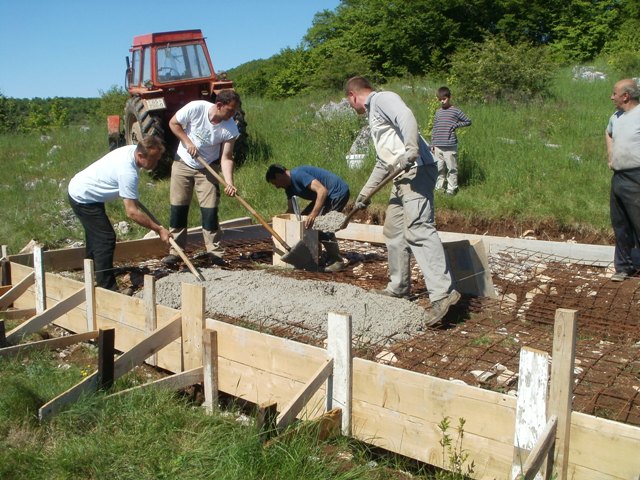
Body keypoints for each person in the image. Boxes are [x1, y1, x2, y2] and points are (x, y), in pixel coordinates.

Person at [344, 76, 460, 326]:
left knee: (419, 229)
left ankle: (443, 295)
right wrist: (364, 194)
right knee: (394, 231)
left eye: (349, 102)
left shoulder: (382, 99)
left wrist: (411, 149)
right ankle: (399, 287)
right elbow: (383, 161)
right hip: (400, 176)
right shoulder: (374, 117)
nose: (352, 107)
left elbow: (406, 116)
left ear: (353, 96)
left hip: (417, 170)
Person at [68, 136, 171, 291]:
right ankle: (107, 287)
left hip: (88, 191)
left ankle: (93, 270)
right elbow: (132, 213)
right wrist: (158, 229)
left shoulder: (131, 151)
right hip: (83, 197)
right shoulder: (128, 172)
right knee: (105, 238)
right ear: (140, 156)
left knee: (95, 235)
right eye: (154, 159)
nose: (156, 163)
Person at [162, 89, 241, 266]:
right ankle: (176, 251)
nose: (232, 114)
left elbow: (226, 158)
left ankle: (215, 252)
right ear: (219, 105)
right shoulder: (196, 108)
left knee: (210, 210)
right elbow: (174, 123)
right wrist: (187, 142)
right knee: (178, 208)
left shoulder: (230, 128)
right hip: (182, 162)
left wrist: (229, 182)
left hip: (208, 168)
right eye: (230, 110)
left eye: (234, 111)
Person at [266, 164, 350, 272]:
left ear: (279, 175)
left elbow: (322, 191)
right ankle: (316, 253)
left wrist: (314, 214)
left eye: (275, 183)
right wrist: (277, 223)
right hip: (325, 196)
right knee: (303, 220)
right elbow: (291, 211)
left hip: (336, 193)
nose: (277, 187)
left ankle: (337, 261)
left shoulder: (297, 175)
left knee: (322, 225)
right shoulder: (289, 188)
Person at [605, 78, 640, 281]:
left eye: (614, 94)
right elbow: (608, 133)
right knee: (620, 223)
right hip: (619, 176)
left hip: (637, 176)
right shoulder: (616, 117)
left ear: (626, 96)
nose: (612, 97)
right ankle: (624, 267)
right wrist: (611, 155)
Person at [431, 86, 472, 196]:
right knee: (439, 168)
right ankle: (439, 187)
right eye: (440, 99)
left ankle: (451, 188)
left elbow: (468, 121)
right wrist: (432, 144)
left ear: (449, 97)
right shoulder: (438, 112)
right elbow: (434, 128)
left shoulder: (455, 111)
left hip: (449, 145)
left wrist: (456, 125)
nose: (442, 101)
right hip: (438, 145)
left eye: (444, 99)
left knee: (451, 168)